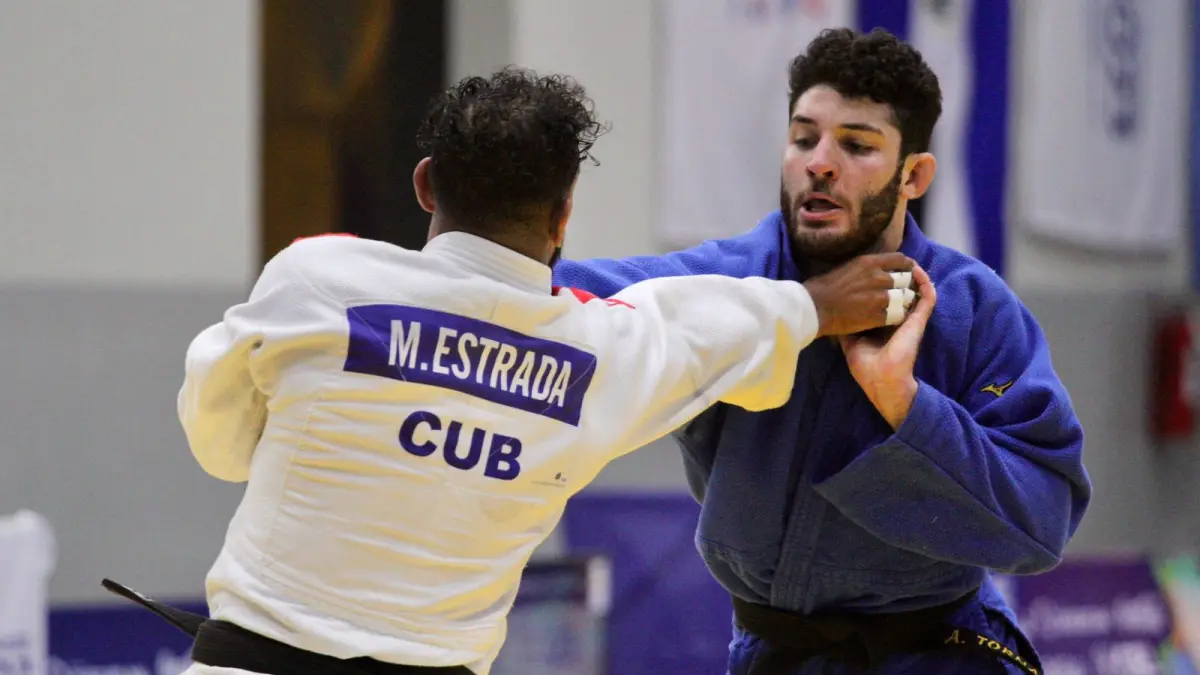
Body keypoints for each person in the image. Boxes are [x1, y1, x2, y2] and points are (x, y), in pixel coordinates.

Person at [101, 68, 927, 675]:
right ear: (564, 215)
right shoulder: (606, 353)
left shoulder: (318, 276)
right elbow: (713, 322)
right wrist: (819, 304)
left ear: (426, 184)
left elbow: (218, 443)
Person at [552, 28, 1091, 675]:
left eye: (857, 145)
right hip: (775, 653)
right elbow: (563, 297)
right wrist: (468, 265)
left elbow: (1042, 521)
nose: (821, 163)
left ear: (914, 175)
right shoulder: (732, 285)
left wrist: (906, 405)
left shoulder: (971, 308)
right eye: (804, 138)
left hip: (937, 656)